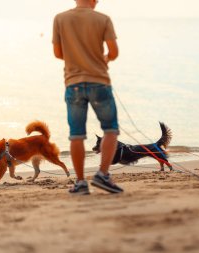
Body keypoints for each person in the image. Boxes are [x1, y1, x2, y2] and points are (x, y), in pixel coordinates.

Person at [52, 0, 123, 194]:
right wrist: (104, 59)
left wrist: (77, 57)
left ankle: (81, 183)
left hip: (73, 83)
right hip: (99, 82)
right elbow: (114, 52)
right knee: (110, 130)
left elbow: (58, 53)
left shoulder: (60, 18)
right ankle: (102, 174)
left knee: (76, 135)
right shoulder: (103, 19)